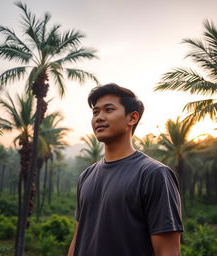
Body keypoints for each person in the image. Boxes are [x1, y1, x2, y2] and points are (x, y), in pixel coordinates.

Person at [68, 83, 183, 256]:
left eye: (108, 109)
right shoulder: (86, 176)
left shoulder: (154, 174)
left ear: (132, 118)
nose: (99, 117)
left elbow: (168, 252)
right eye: (95, 112)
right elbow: (79, 238)